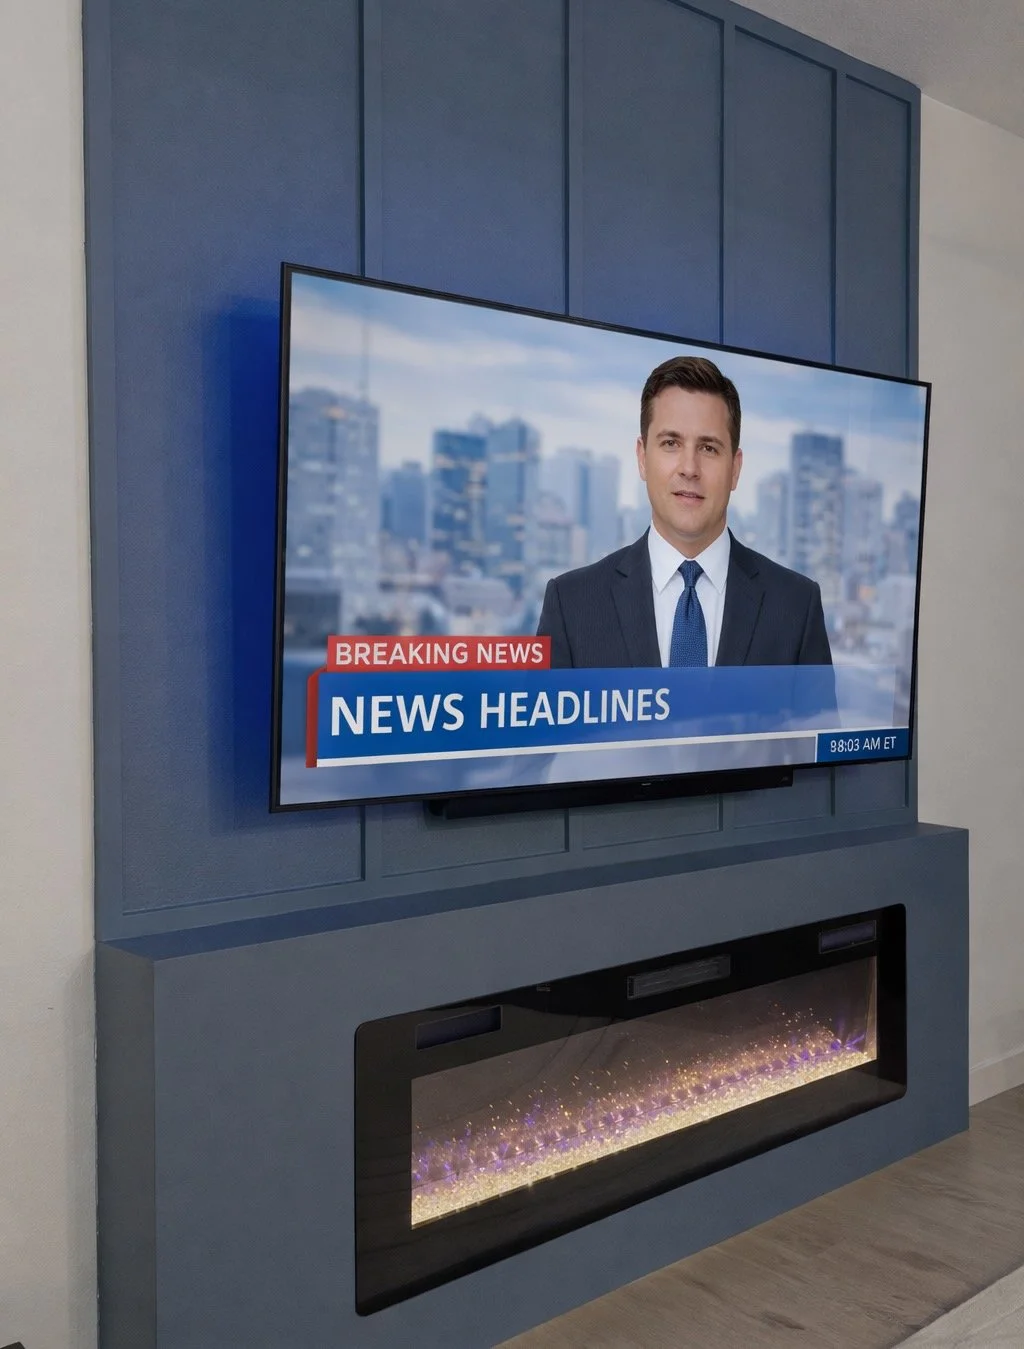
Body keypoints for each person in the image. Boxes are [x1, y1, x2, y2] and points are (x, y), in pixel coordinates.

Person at [537, 355, 833, 670]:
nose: (689, 468)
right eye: (670, 443)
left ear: (735, 468)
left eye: (709, 448)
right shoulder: (571, 605)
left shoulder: (796, 607)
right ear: (642, 458)